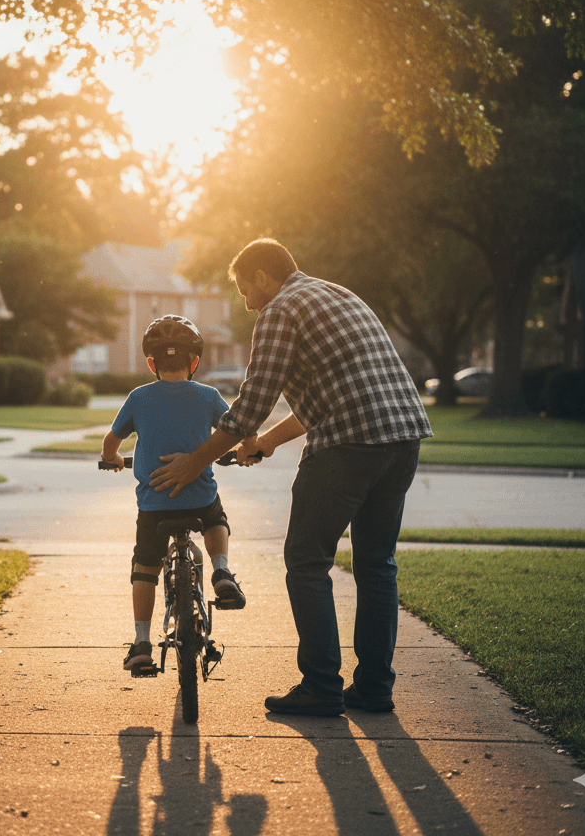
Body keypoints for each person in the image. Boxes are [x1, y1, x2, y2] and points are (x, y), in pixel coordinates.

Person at [150, 238, 432, 715]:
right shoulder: (339, 296)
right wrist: (266, 443)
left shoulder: (280, 310)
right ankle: (374, 688)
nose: (245, 300)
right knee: (376, 566)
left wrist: (194, 461)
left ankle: (322, 687)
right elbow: (334, 395)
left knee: (306, 561)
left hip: (348, 448)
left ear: (263, 276)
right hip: (401, 441)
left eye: (244, 288)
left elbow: (254, 401)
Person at [102, 315, 246, 673]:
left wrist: (114, 460)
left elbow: (110, 443)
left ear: (151, 363)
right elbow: (236, 431)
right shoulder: (209, 395)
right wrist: (247, 451)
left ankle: (141, 642)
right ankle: (222, 571)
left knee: (145, 568)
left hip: (154, 506)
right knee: (216, 516)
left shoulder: (138, 397)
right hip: (198, 497)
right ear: (194, 361)